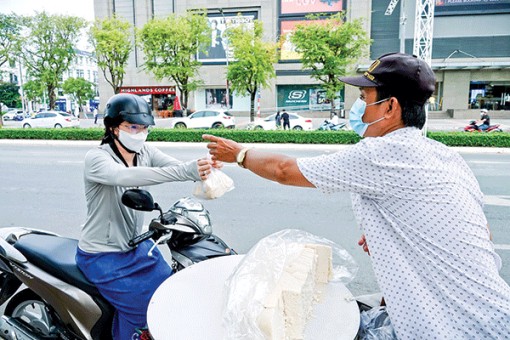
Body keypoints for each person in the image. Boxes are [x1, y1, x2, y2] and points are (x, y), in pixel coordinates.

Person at [203, 53, 510, 339]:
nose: (360, 107)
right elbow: (479, 232)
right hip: (496, 313)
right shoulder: (446, 156)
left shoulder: (383, 152)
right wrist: (398, 235)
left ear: (390, 107)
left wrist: (240, 153)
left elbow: (285, 170)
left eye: (365, 99)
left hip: (453, 328)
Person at [76, 93, 218, 340]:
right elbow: (126, 177)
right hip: (102, 255)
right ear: (113, 127)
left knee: (168, 295)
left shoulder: (144, 151)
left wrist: (202, 170)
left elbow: (172, 166)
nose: (139, 132)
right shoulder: (97, 158)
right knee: (144, 313)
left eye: (144, 127)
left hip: (137, 247)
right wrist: (186, 171)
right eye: (132, 126)